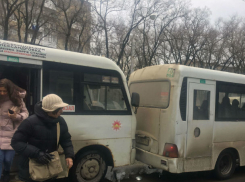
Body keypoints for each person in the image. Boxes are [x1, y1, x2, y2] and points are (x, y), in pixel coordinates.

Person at [11, 94, 74, 182]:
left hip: (51, 167)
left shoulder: (60, 121)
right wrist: (37, 153)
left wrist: (69, 156)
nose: (62, 111)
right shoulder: (29, 122)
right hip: (30, 169)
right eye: (60, 108)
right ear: (51, 110)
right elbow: (16, 142)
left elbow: (66, 140)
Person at [0, 78, 29, 182]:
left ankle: (7, 171)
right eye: (0, 91)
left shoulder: (17, 99)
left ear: (10, 90)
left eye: (4, 91)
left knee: (8, 160)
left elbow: (26, 114)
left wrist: (16, 116)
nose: (2, 93)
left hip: (11, 135)